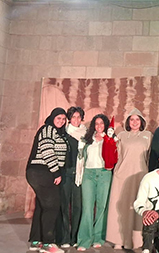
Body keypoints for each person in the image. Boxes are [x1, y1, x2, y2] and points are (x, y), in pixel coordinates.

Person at [106, 109, 152, 250]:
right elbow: (113, 153)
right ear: (128, 122)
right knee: (120, 207)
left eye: (137, 119)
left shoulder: (148, 136)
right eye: (132, 119)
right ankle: (118, 240)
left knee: (137, 207)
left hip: (140, 175)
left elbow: (150, 157)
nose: (134, 122)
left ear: (142, 122)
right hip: (122, 175)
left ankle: (136, 241)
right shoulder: (121, 136)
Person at [26, 107, 69, 253]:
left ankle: (36, 240)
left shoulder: (56, 132)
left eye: (63, 119)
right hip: (42, 171)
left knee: (42, 206)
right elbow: (47, 151)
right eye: (58, 118)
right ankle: (48, 243)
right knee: (52, 206)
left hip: (42, 171)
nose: (61, 121)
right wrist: (56, 173)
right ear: (52, 118)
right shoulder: (48, 129)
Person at [77, 114, 113, 251]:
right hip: (89, 174)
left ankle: (98, 238)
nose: (99, 126)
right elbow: (81, 158)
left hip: (104, 174)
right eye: (96, 123)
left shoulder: (110, 139)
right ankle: (84, 239)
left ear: (106, 125)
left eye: (101, 123)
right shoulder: (87, 140)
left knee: (102, 207)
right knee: (87, 207)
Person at [56, 106, 87, 249]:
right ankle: (64, 237)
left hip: (80, 174)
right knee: (64, 205)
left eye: (78, 117)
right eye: (73, 117)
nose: (76, 120)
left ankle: (75, 237)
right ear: (69, 119)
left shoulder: (86, 134)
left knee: (77, 206)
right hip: (66, 173)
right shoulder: (64, 133)